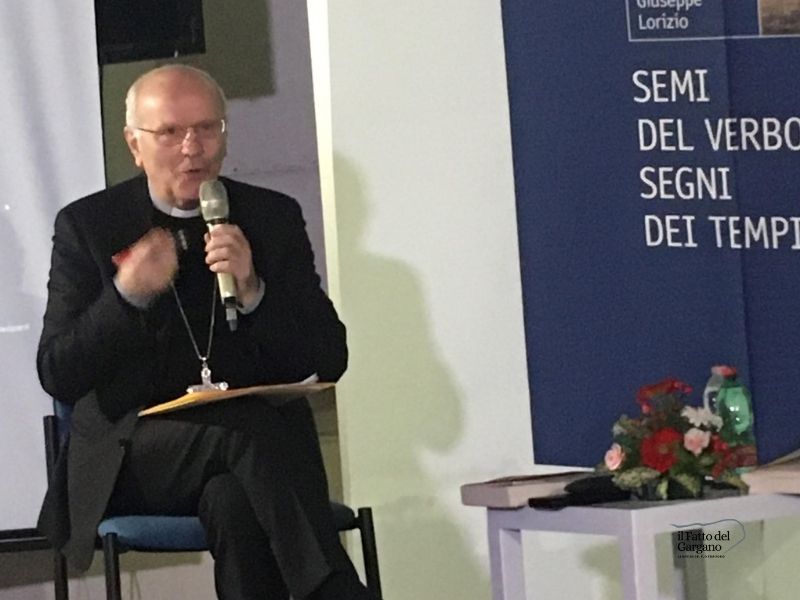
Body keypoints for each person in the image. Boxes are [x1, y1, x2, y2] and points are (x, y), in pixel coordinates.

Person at [37, 64, 372, 600]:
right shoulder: (90, 226)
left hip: (251, 454)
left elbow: (329, 357)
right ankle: (337, 589)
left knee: (234, 503)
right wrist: (126, 296)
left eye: (206, 128)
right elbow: (58, 372)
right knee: (248, 429)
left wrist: (254, 290)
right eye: (170, 132)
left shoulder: (269, 217)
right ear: (135, 144)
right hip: (134, 451)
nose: (192, 148)